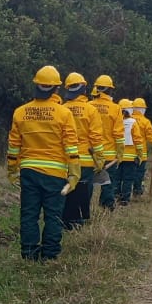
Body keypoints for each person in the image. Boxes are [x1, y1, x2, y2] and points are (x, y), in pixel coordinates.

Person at [6, 66, 81, 261]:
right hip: (55, 174)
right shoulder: (64, 113)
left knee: (29, 214)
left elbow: (14, 146)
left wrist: (12, 170)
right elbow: (71, 147)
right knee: (53, 216)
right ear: (57, 88)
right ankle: (49, 255)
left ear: (36, 85)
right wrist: (74, 174)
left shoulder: (20, 112)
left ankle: (29, 254)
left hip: (29, 172)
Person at [60, 72, 106, 230]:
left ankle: (64, 222)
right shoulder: (90, 110)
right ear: (84, 89)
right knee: (83, 191)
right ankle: (78, 224)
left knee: (67, 189)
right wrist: (99, 159)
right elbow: (96, 138)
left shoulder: (62, 109)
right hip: (85, 161)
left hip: (66, 159)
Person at [91, 74, 123, 211]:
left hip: (91, 153)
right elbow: (118, 134)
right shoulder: (115, 108)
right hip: (109, 154)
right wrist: (120, 153)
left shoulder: (89, 106)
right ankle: (107, 208)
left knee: (86, 183)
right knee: (108, 183)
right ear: (110, 90)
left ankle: (84, 210)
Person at [116, 99, 145, 205]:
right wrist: (140, 154)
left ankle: (116, 197)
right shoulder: (133, 122)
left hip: (117, 156)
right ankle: (125, 200)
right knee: (128, 179)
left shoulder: (116, 122)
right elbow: (137, 139)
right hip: (130, 157)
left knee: (117, 178)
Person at [132, 97, 152, 197]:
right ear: (143, 109)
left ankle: (124, 193)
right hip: (141, 153)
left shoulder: (126, 119)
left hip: (128, 152)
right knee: (139, 173)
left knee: (127, 173)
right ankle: (137, 191)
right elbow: (150, 137)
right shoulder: (145, 122)